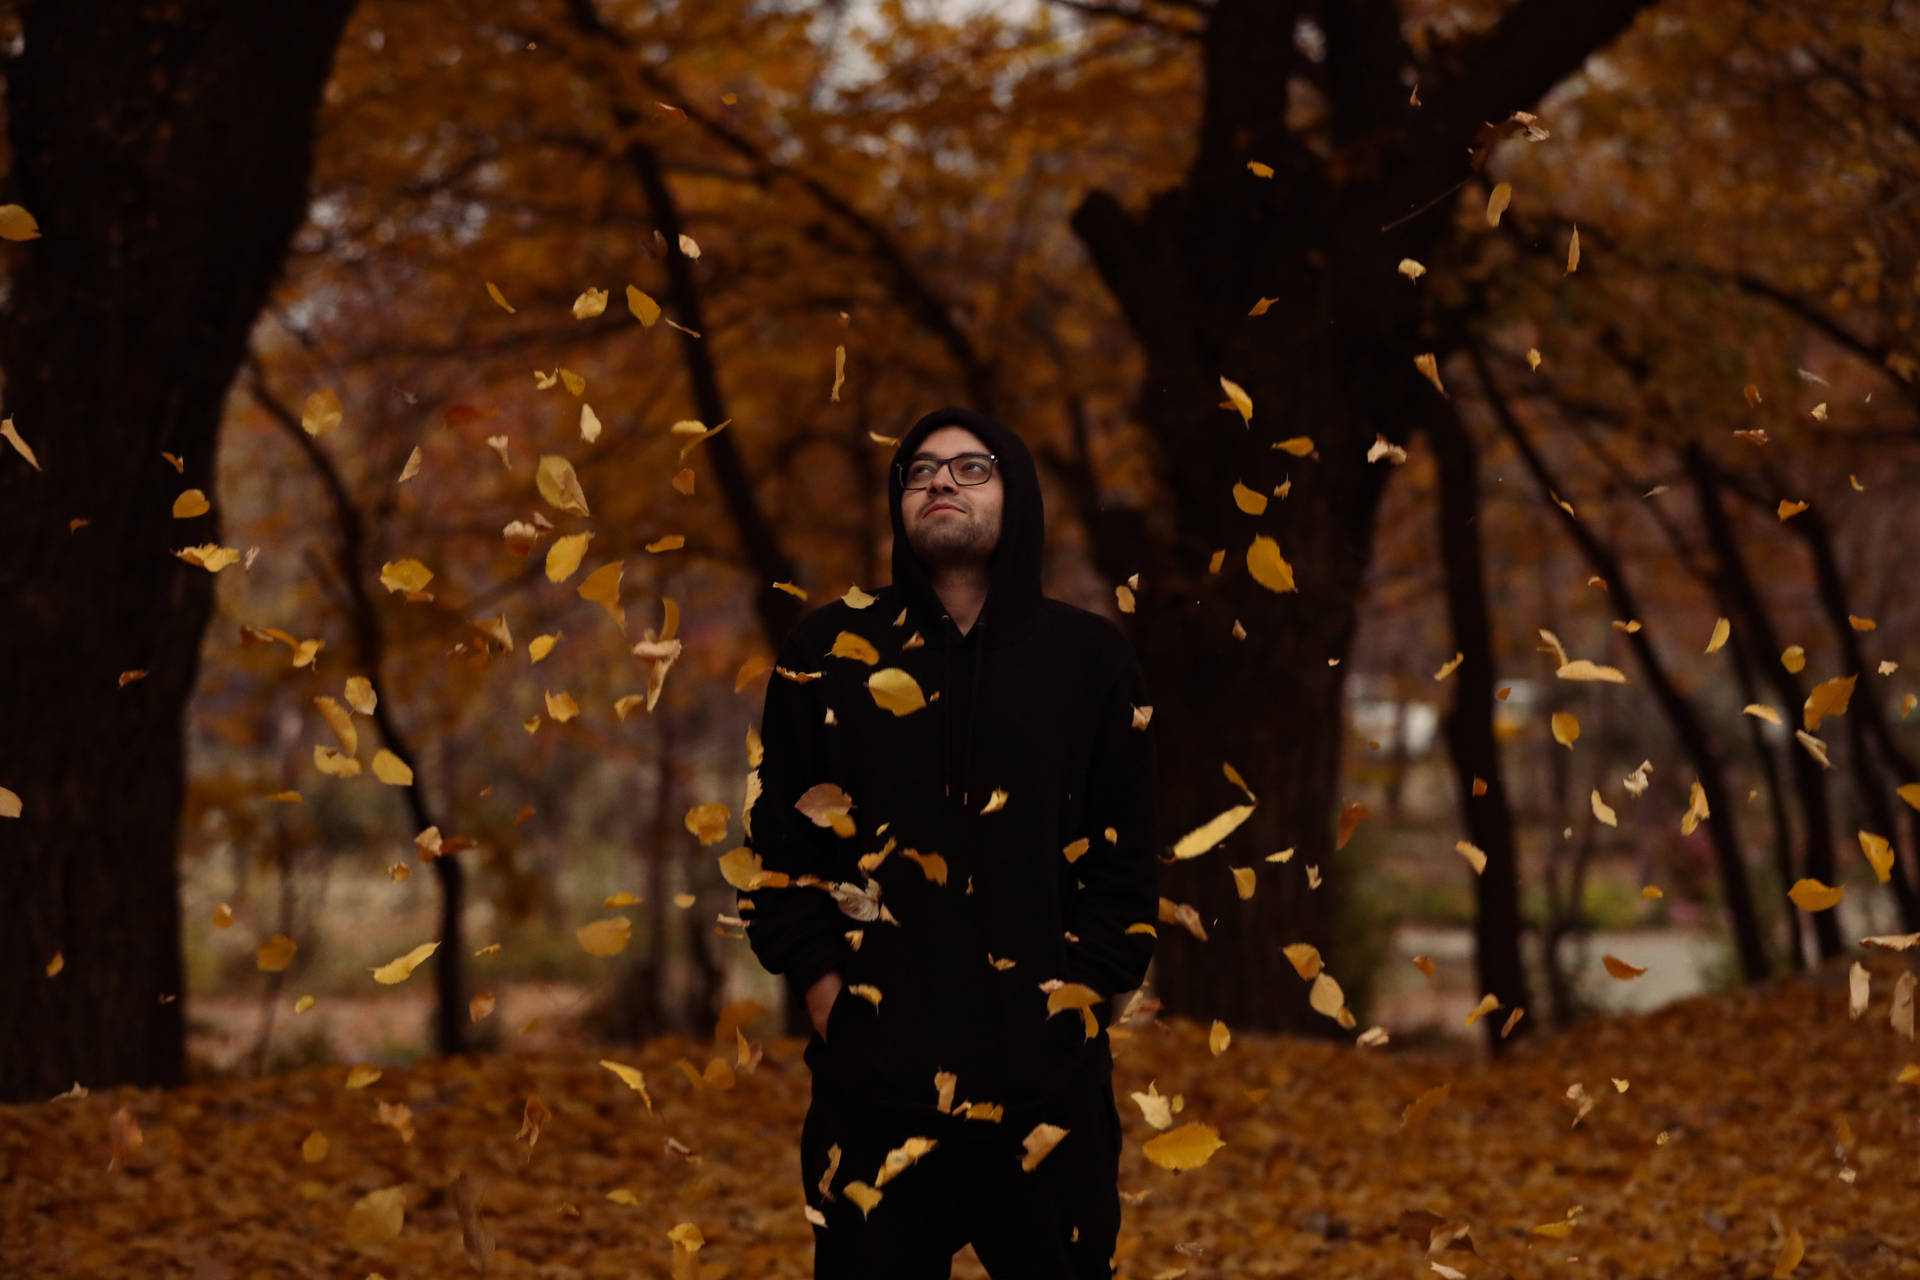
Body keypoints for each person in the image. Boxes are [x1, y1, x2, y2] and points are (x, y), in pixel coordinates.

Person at [738, 405, 1159, 1279]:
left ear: (1019, 496)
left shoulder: (1090, 661)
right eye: (920, 470)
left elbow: (1126, 859)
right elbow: (780, 850)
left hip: (1049, 1093)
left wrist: (1080, 1007)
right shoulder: (828, 650)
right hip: (873, 1086)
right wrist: (827, 997)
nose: (938, 481)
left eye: (972, 469)